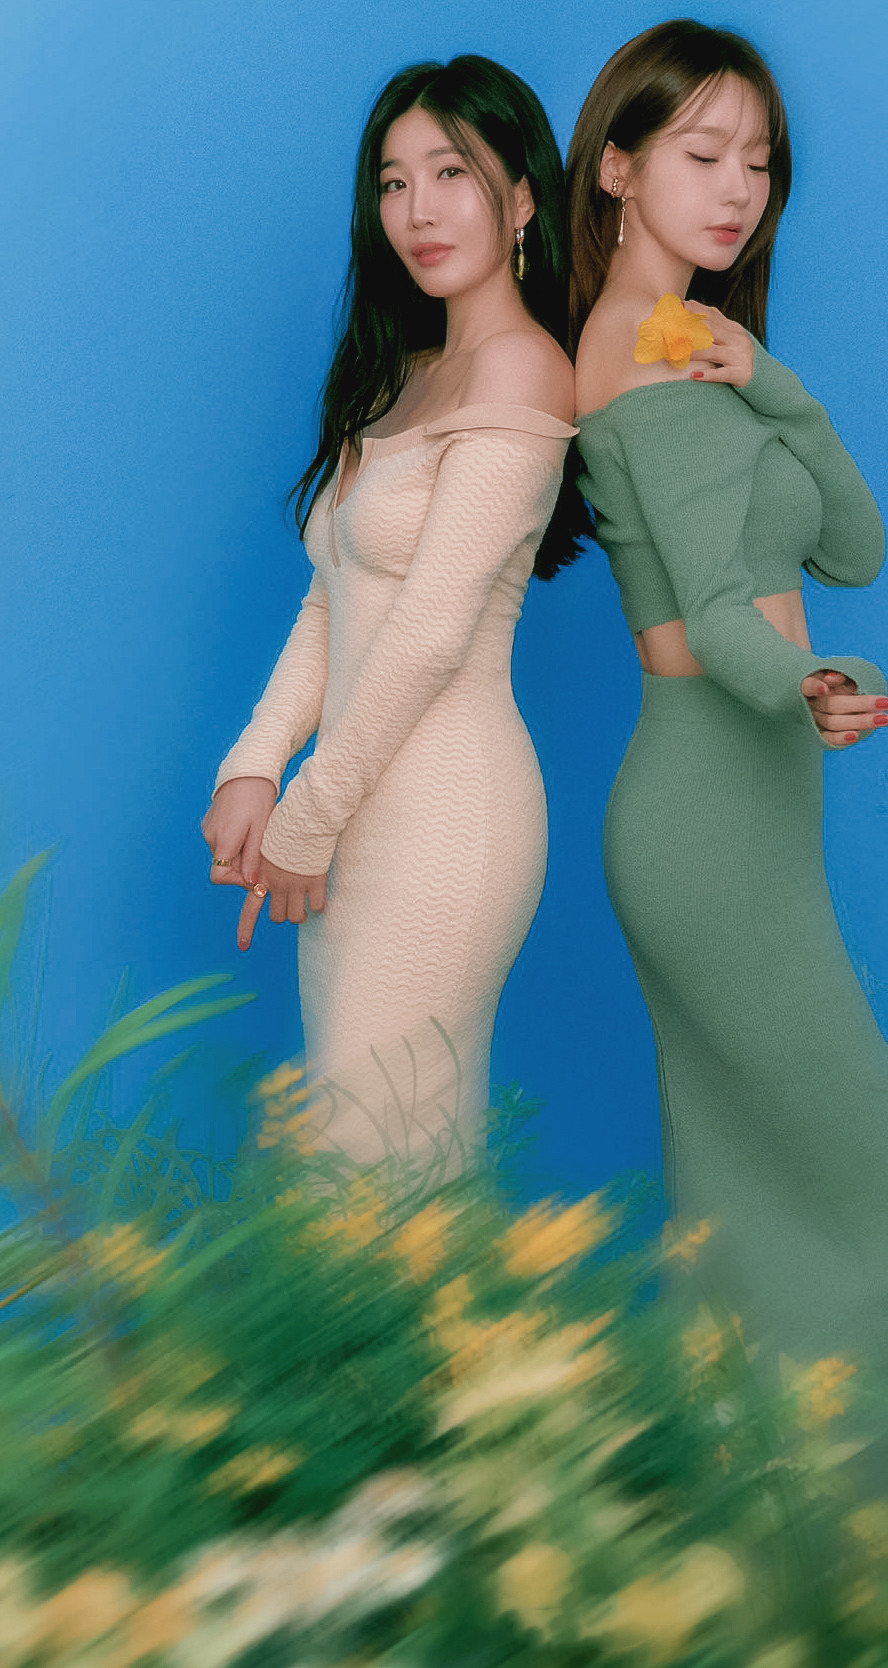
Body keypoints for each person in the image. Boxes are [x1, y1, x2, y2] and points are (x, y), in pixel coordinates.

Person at [567, 21, 888, 1465]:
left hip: (743, 812)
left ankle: (749, 1527)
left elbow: (851, 548)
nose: (738, 189)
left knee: (741, 1225)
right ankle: (844, 1526)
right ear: (617, 169)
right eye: (701, 153)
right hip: (708, 817)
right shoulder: (635, 357)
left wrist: (771, 379)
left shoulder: (695, 348)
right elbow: (721, 624)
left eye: (759, 162)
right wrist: (804, 686)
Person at [202, 56, 581, 1181]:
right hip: (355, 804)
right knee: (363, 1166)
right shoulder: (403, 374)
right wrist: (254, 765)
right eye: (393, 181)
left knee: (386, 1174)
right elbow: (336, 595)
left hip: (445, 818)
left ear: (523, 198)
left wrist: (306, 817)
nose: (418, 209)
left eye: (451, 173)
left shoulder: (525, 369)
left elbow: (430, 632)